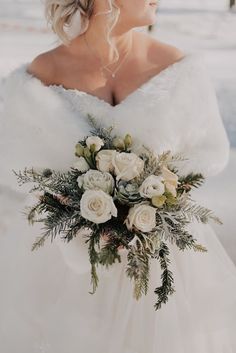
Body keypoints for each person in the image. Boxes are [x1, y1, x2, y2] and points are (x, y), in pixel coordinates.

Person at [0, 1, 236, 352]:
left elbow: (207, 156)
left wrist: (153, 201)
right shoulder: (42, 75)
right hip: (67, 268)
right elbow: (21, 171)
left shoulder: (177, 68)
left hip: (163, 264)